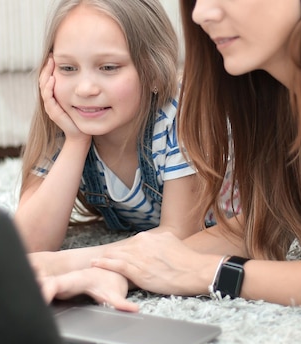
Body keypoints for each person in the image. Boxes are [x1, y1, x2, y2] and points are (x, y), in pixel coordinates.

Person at [46, 0, 301, 314]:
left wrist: (214, 273)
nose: (201, 13)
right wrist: (94, 267)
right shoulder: (279, 95)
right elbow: (262, 223)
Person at [15, 1, 218, 256]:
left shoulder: (182, 116)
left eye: (108, 67)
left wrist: (73, 262)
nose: (84, 89)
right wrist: (76, 142)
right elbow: (28, 243)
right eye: (68, 68)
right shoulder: (65, 121)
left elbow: (179, 234)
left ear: (154, 71)